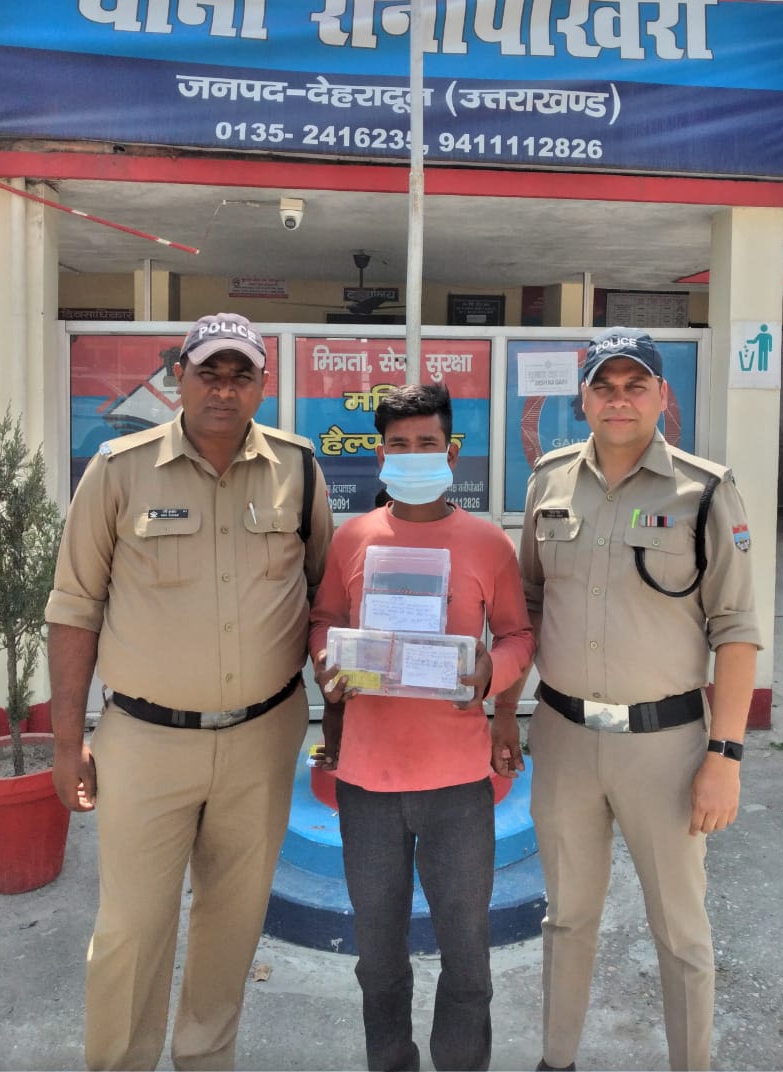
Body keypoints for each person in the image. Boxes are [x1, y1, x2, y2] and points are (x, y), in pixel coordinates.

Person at [46, 312, 334, 1072]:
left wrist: (338, 718)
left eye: (241, 375)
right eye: (209, 372)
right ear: (179, 377)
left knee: (232, 924)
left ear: (263, 386)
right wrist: (67, 741)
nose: (224, 389)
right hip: (146, 741)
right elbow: (74, 607)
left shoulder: (299, 470)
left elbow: (324, 601)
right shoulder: (119, 470)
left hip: (262, 738)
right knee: (131, 929)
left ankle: (206, 1058)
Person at [491, 327, 761, 1072]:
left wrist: (725, 758)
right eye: (603, 387)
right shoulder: (548, 480)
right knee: (566, 917)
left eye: (635, 385)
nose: (619, 399)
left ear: (661, 395)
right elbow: (528, 607)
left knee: (680, 930)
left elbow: (737, 632)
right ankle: (556, 1060)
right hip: (565, 738)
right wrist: (505, 711)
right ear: (582, 400)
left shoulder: (705, 490)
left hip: (665, 748)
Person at [310, 382, 534, 1072]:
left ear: (451, 452)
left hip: (458, 787)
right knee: (379, 962)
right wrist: (327, 659)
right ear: (381, 455)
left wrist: (492, 676)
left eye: (426, 444)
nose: (412, 456)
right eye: (399, 446)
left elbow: (518, 635)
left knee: (466, 961)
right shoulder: (353, 538)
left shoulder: (487, 543)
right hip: (366, 784)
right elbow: (323, 620)